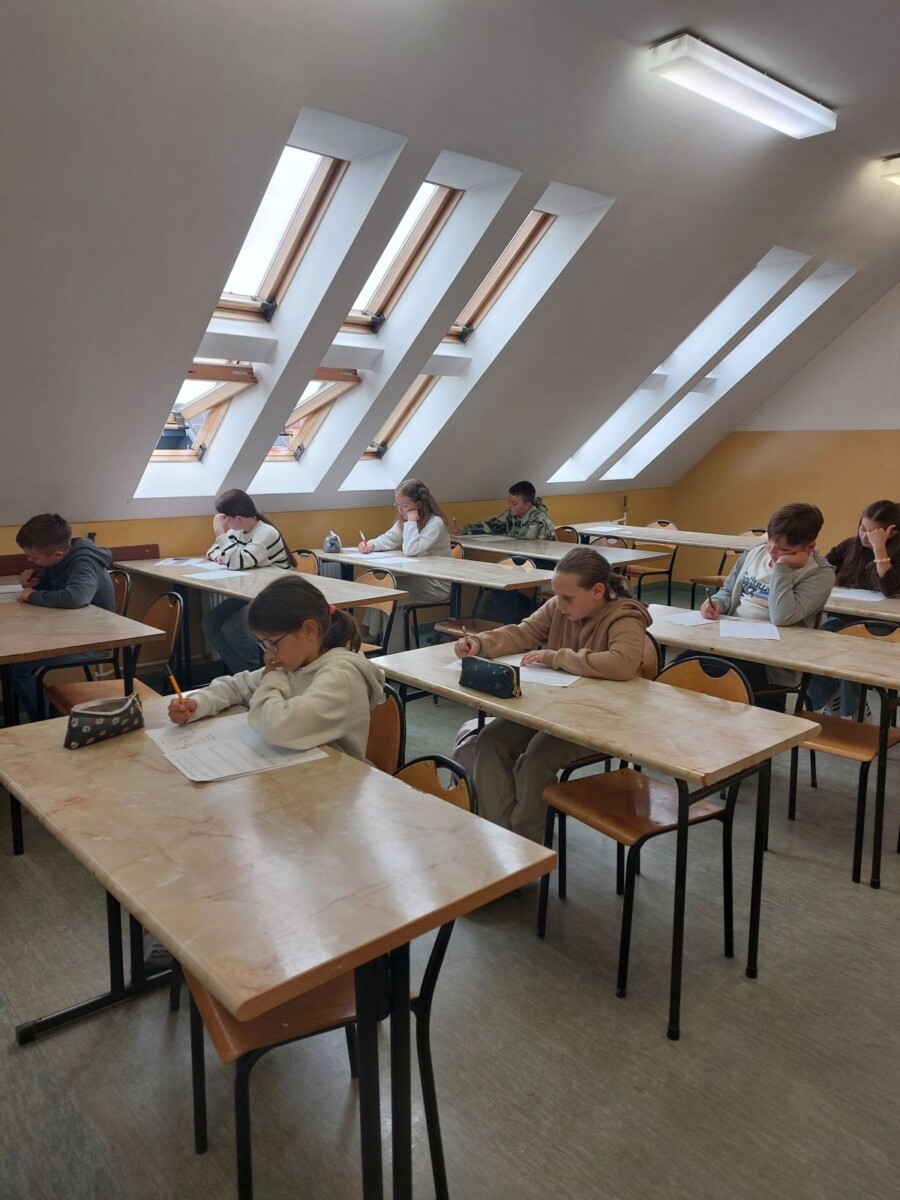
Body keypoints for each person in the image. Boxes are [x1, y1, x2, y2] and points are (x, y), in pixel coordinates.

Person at [455, 547, 651, 844]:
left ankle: (527, 846)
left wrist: (556, 657)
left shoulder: (624, 617)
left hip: (599, 718)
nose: (559, 604)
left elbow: (622, 663)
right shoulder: (560, 606)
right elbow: (523, 632)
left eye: (567, 597)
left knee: (537, 760)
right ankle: (499, 836)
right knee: (491, 740)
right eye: (556, 595)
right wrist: (480, 644)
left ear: (598, 591)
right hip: (555, 708)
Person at [170, 574, 385, 761]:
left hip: (338, 782)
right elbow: (237, 686)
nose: (268, 654)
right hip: (302, 773)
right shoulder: (299, 661)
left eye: (272, 642)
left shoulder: (341, 676)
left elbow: (279, 728)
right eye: (263, 644)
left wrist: (271, 679)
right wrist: (198, 703)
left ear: (310, 630)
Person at [698, 502, 835, 710]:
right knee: (680, 668)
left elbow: (782, 617)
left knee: (715, 683)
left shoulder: (819, 574)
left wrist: (782, 567)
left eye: (784, 549)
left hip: (769, 661)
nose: (771, 550)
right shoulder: (755, 553)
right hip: (729, 641)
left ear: (809, 547)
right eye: (770, 540)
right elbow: (727, 590)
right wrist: (717, 603)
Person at [11, 514, 115, 721]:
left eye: (34, 558)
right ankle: (47, 716)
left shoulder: (83, 560)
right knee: (15, 657)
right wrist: (34, 584)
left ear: (58, 554)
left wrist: (33, 596)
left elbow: (76, 597)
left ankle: (48, 722)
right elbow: (58, 587)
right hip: (71, 631)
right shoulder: (59, 557)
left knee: (19, 666)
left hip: (97, 640)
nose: (30, 561)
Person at [806, 499, 900, 717]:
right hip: (843, 619)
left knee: (849, 654)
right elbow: (823, 569)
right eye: (862, 528)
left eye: (873, 533)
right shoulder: (849, 546)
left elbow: (889, 589)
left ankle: (854, 712)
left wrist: (879, 549)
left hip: (882, 627)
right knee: (811, 645)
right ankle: (832, 697)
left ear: (892, 533)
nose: (865, 536)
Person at [201, 489, 293, 675]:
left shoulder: (265, 533)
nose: (225, 523)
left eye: (226, 519)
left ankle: (260, 673)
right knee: (210, 623)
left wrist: (219, 531)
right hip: (252, 591)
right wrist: (220, 556)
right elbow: (212, 550)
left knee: (235, 629)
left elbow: (237, 562)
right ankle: (244, 673)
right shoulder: (238, 531)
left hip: (274, 593)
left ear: (239, 518)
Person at [358, 478, 452, 653]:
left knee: (393, 595)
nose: (400, 510)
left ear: (419, 504)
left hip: (437, 584)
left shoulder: (435, 523)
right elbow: (389, 538)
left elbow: (411, 549)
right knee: (383, 589)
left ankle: (389, 648)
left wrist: (411, 520)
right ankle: (376, 638)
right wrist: (371, 545)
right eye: (397, 505)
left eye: (404, 506)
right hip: (420, 579)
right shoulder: (405, 520)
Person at [449, 481, 556, 540]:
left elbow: (530, 534)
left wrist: (507, 533)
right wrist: (465, 529)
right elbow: (492, 526)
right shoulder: (511, 515)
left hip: (545, 561)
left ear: (527, 505)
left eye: (514, 504)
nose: (509, 506)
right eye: (509, 501)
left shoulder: (539, 517)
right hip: (522, 553)